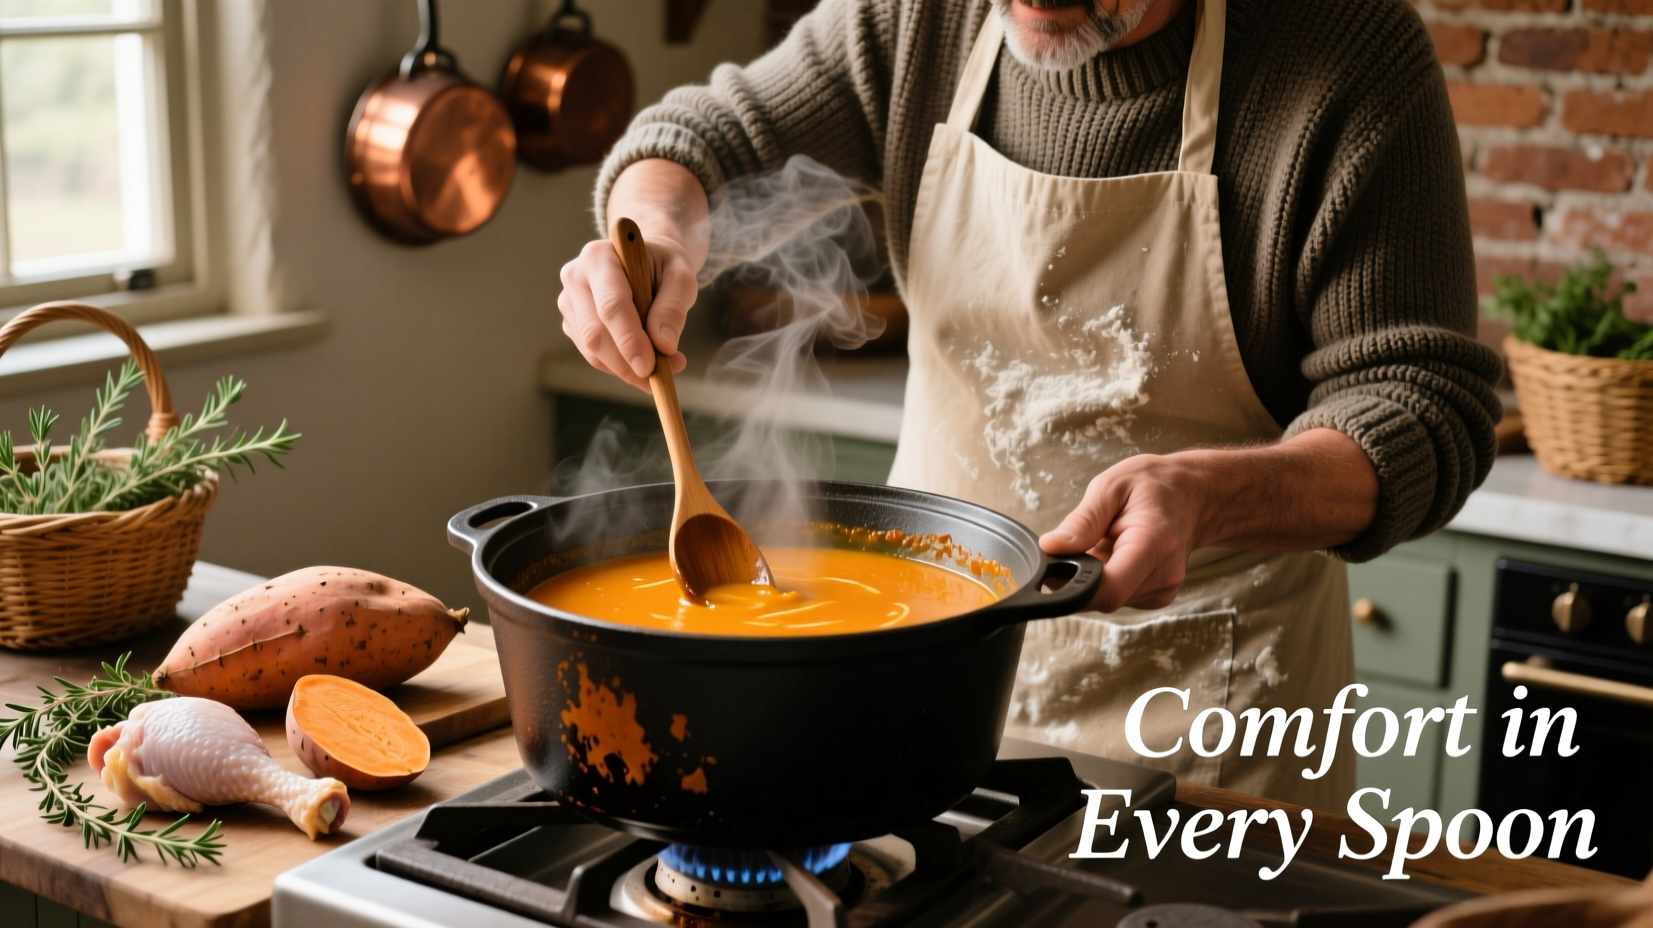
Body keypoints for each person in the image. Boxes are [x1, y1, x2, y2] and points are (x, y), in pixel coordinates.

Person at [554, 0, 1502, 809]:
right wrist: (655, 233)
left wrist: (1209, 496)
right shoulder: (922, 17)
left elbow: (1424, 405)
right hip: (923, 689)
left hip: (1214, 728)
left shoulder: (1350, 55)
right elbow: (699, 138)